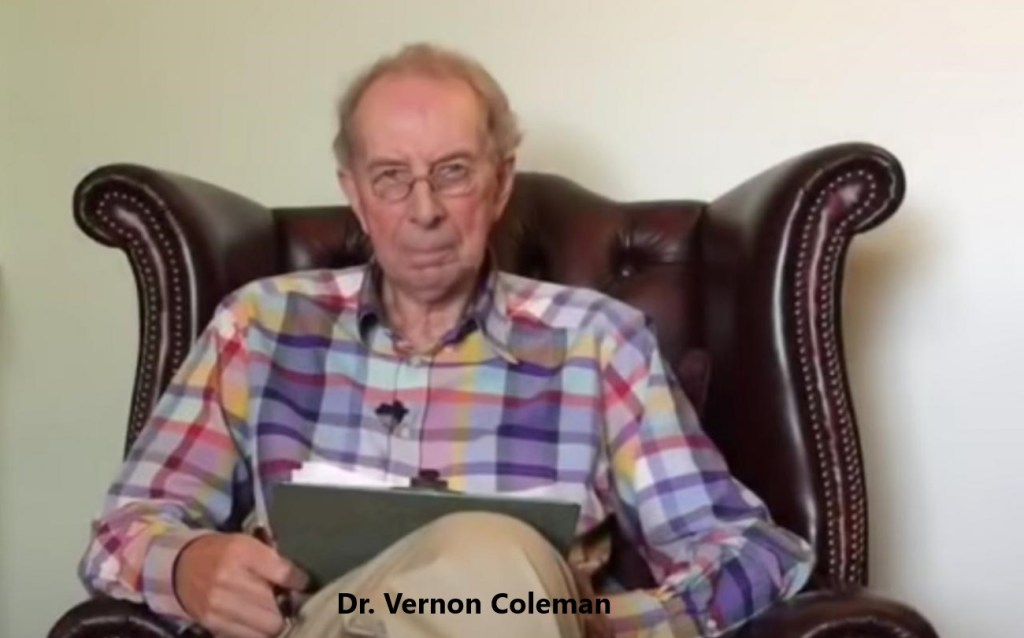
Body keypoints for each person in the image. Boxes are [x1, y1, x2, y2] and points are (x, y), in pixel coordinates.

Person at [78, 43, 814, 638]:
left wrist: (577, 621)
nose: (424, 209)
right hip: (313, 624)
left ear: (500, 183)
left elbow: (752, 554)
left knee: (493, 561)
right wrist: (187, 565)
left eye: (452, 173)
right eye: (391, 178)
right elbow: (119, 534)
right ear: (355, 194)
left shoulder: (598, 343)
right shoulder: (261, 324)